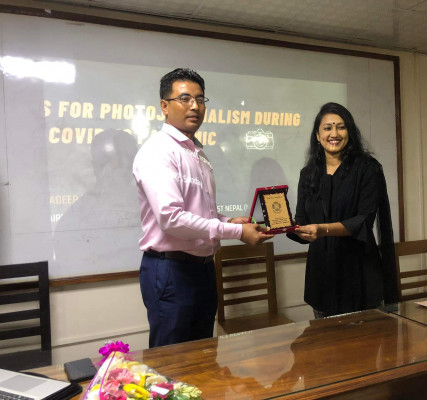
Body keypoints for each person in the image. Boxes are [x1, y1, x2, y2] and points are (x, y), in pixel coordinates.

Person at [132, 68, 273, 347]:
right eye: (185, 98)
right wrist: (236, 232)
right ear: (164, 106)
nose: (195, 106)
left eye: (200, 99)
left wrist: (229, 220)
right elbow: (171, 219)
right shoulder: (158, 151)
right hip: (171, 270)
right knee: (172, 362)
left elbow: (199, 213)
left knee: (203, 356)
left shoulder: (197, 153)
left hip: (203, 268)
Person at [288, 102, 398, 318]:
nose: (334, 134)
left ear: (350, 132)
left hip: (359, 273)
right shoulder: (308, 173)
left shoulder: (367, 168)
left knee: (365, 338)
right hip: (322, 276)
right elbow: (302, 220)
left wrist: (322, 229)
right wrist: (282, 226)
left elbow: (363, 221)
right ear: (317, 135)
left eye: (341, 127)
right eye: (327, 128)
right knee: (324, 339)